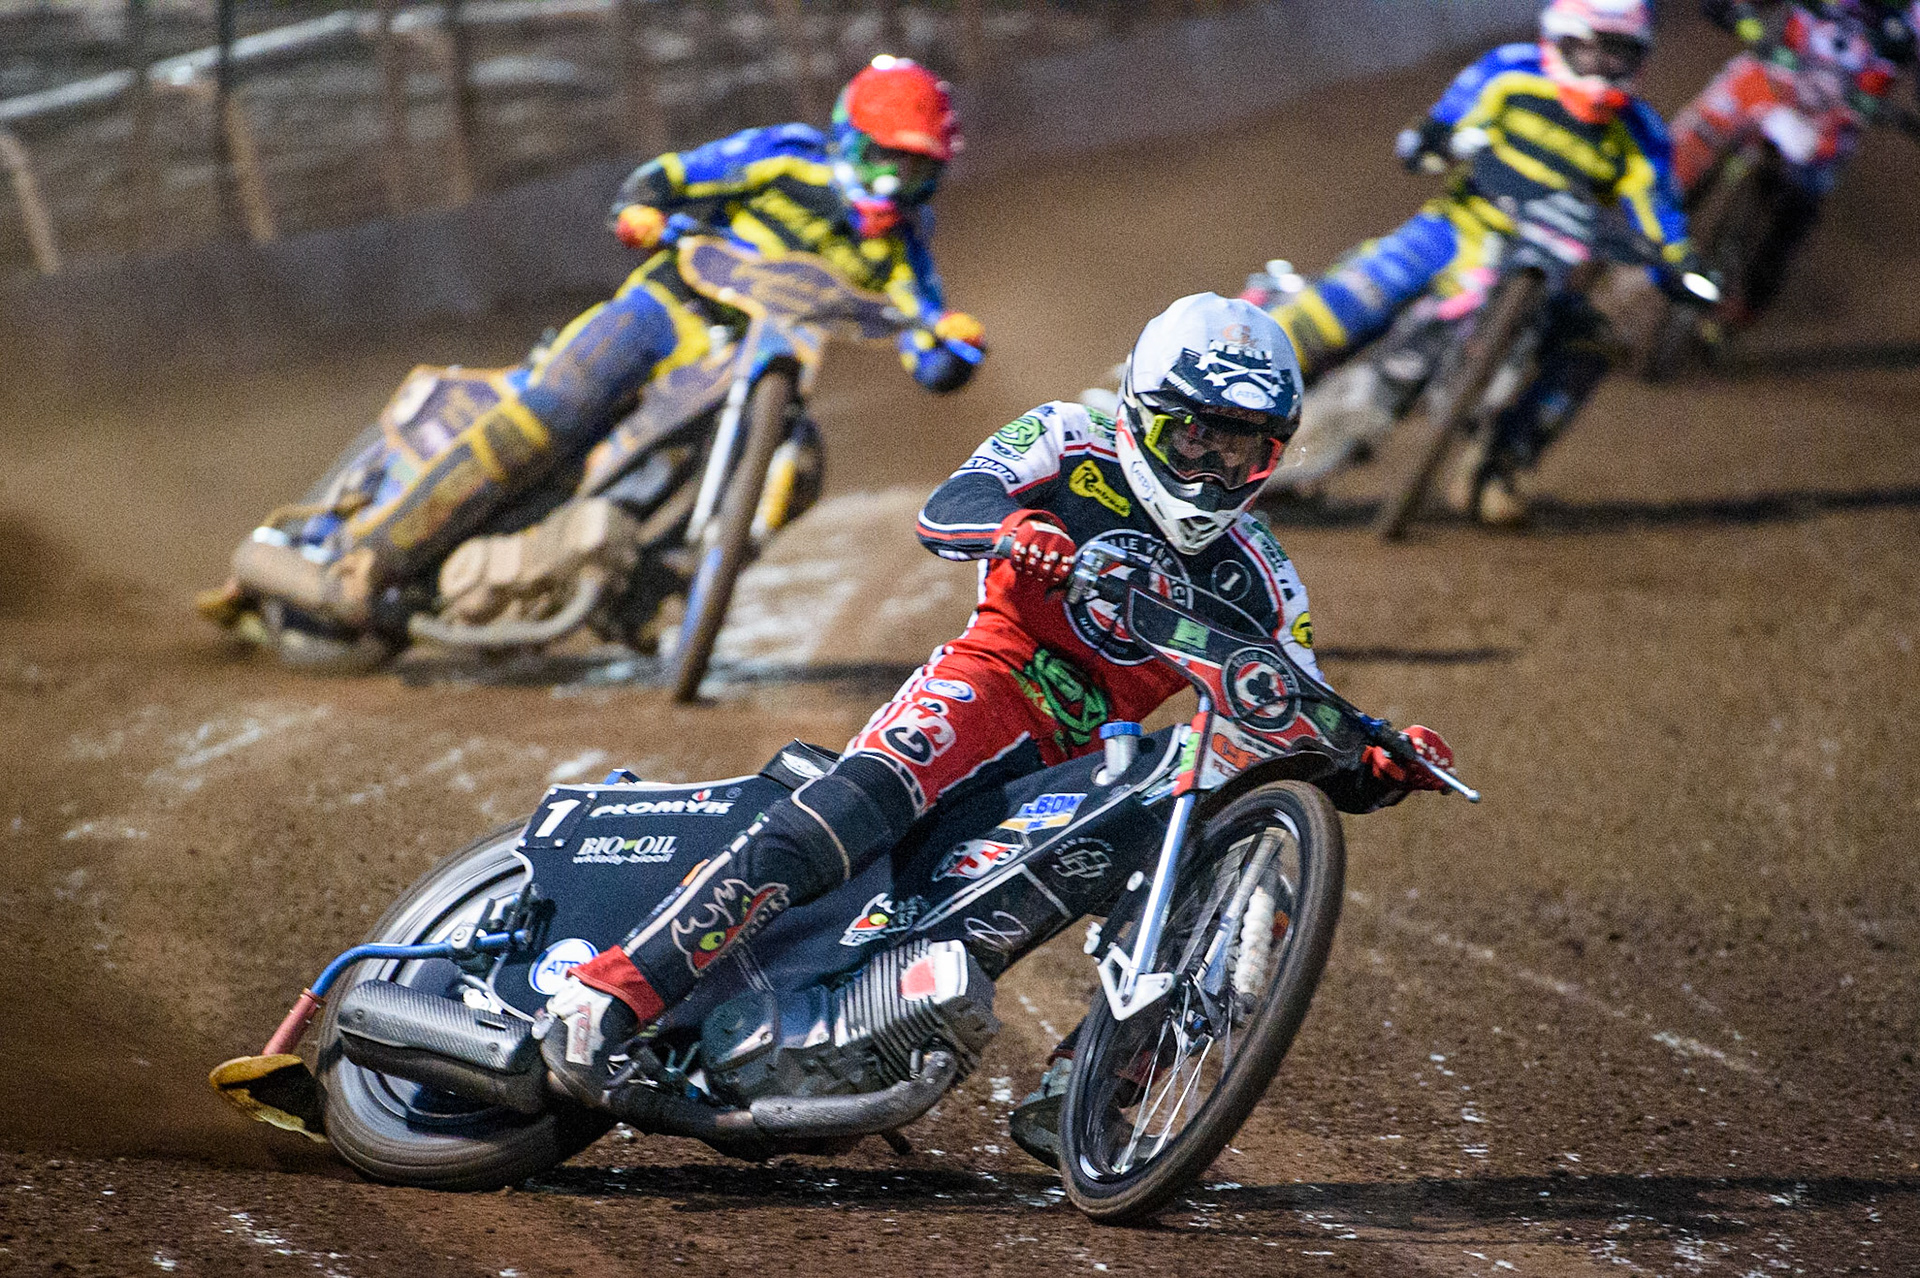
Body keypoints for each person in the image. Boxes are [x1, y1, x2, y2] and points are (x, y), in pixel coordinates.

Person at [536, 294, 1457, 1160]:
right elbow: (949, 509)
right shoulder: (1067, 437)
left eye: (1244, 451)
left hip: (1098, 760)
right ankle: (617, 988)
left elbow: (1291, 707)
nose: (1216, 468)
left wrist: (1376, 759)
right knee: (862, 802)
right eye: (1197, 437)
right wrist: (1018, 526)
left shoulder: (1262, 574)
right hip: (991, 680)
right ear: (1142, 411)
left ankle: (1086, 1090)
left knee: (1215, 850)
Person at [222, 55, 986, 630]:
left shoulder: (904, 243)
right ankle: (374, 554)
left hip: (755, 367)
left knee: (802, 467)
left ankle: (653, 598)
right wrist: (644, 209)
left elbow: (923, 331)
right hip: (663, 314)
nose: (896, 187)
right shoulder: (786, 156)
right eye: (887, 161)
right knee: (560, 403)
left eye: (917, 174)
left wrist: (950, 352)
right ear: (850, 139)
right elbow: (675, 174)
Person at [1244, 0, 1697, 526]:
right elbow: (1439, 128)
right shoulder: (1510, 72)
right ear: (1564, 39)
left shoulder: (1640, 132)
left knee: (1590, 342)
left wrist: (1683, 264)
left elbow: (1660, 215)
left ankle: (1497, 467)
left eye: (1619, 52)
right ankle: (1207, 373)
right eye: (1594, 47)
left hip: (1548, 267)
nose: (1604, 65)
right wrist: (1436, 141)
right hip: (1455, 232)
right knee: (1341, 305)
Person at [1668, 0, 1918, 326]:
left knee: (1800, 200)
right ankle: (1642, 212)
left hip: (1836, 115)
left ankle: (1747, 303)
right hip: (1770, 77)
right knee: (1695, 136)